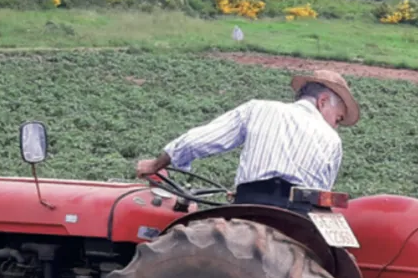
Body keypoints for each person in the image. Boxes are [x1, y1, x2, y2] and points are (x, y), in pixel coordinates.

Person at [135, 70, 359, 212]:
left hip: (250, 207)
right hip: (301, 219)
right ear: (322, 102)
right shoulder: (332, 140)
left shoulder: (258, 109)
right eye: (338, 118)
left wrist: (156, 165)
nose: (335, 126)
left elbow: (198, 141)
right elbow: (322, 194)